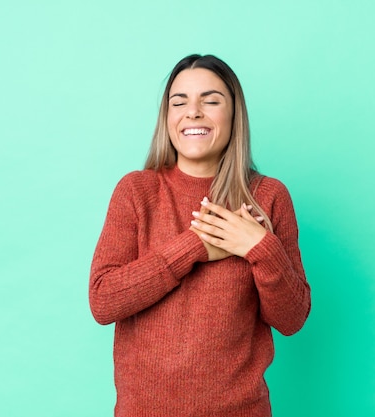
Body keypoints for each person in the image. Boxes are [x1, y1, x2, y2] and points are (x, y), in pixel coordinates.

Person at [89, 54, 311, 417]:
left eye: (210, 101)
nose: (193, 112)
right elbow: (103, 300)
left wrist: (259, 248)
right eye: (179, 102)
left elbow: (291, 319)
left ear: (234, 114)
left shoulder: (268, 197)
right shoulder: (136, 191)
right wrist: (194, 247)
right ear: (167, 117)